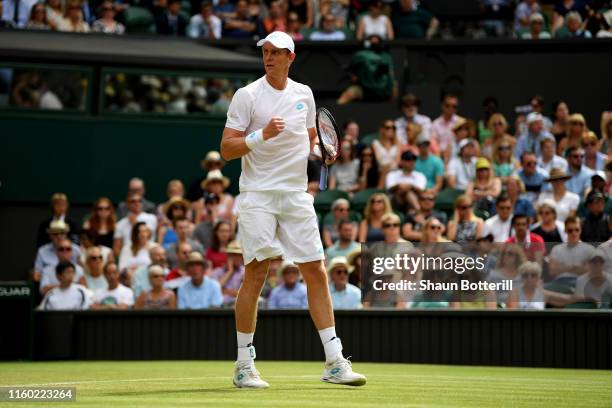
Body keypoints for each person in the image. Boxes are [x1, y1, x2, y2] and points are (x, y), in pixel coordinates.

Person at [219, 31, 365, 388]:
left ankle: (334, 362)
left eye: (276, 52)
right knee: (256, 274)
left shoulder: (304, 94)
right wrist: (261, 136)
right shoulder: (247, 95)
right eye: (265, 52)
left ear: (291, 57)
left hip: (296, 196)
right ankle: (243, 365)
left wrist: (321, 155)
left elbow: (312, 140)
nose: (269, 57)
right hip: (258, 195)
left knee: (316, 271)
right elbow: (227, 149)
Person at [548, 216, 595, 289]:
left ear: (581, 230)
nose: (574, 233)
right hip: (559, 283)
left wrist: (563, 267)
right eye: (570, 230)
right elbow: (552, 271)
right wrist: (578, 268)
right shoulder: (556, 249)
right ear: (565, 231)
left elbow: (593, 272)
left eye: (577, 230)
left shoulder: (590, 249)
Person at [113, 192, 158, 257]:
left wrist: (135, 224)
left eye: (139, 201)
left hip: (149, 254)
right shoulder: (120, 224)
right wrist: (126, 257)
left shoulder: (152, 218)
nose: (137, 203)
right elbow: (116, 249)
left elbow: (149, 237)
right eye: (133, 201)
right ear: (127, 204)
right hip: (129, 256)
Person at [211, 241, 245, 307]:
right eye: (234, 255)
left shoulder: (244, 272)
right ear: (228, 256)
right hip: (220, 307)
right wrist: (230, 271)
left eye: (240, 255)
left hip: (237, 306)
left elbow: (244, 294)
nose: (238, 258)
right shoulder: (217, 272)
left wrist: (224, 291)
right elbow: (214, 290)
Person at [431, 94, 461, 163]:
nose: (451, 108)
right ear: (442, 106)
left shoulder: (460, 122)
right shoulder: (436, 123)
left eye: (454, 106)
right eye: (447, 105)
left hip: (457, 156)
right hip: (439, 155)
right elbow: (433, 142)